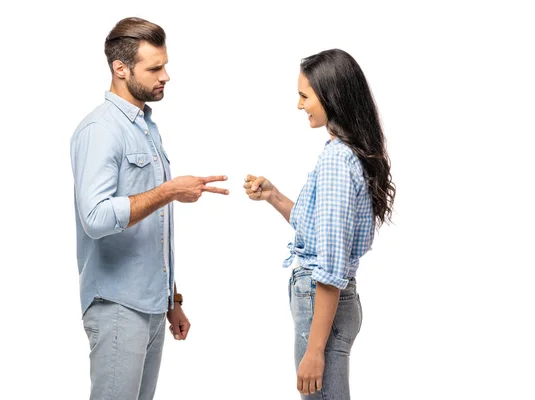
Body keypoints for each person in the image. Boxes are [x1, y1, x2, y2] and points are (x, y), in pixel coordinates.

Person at [70, 17, 229, 400]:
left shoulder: (145, 126)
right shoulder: (100, 130)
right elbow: (95, 218)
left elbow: (151, 230)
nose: (166, 76)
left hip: (152, 307)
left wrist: (171, 299)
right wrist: (169, 191)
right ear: (120, 69)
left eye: (165, 65)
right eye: (155, 68)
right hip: (117, 307)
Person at [243, 49, 396, 399]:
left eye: (304, 96)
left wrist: (315, 351)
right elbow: (320, 230)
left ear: (331, 96)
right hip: (333, 304)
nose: (299, 105)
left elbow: (329, 264)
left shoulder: (336, 162)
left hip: (322, 306)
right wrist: (274, 196)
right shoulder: (346, 153)